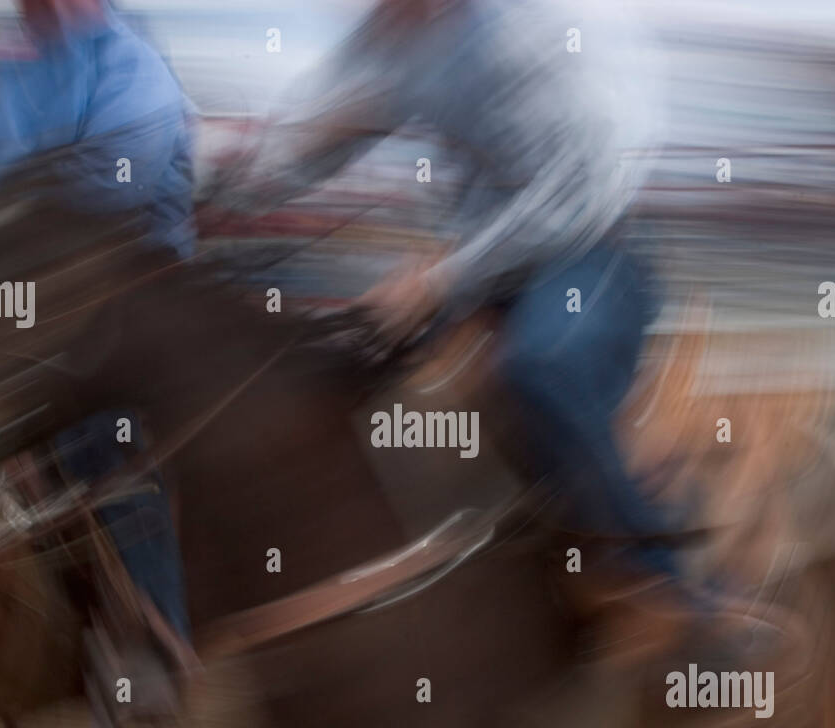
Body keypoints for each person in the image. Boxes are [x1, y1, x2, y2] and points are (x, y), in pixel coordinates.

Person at [219, 0, 688, 584]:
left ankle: (658, 581)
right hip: (484, 259)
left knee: (542, 368)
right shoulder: (391, 36)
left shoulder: (527, 30)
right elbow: (314, 132)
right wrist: (227, 188)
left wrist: (443, 278)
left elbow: (575, 188)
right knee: (337, 365)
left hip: (591, 248)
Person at [0, 0, 194, 661]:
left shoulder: (137, 72)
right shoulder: (8, 62)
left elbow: (106, 196)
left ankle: (156, 630)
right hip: (26, 280)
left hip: (131, 285)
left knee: (102, 428)